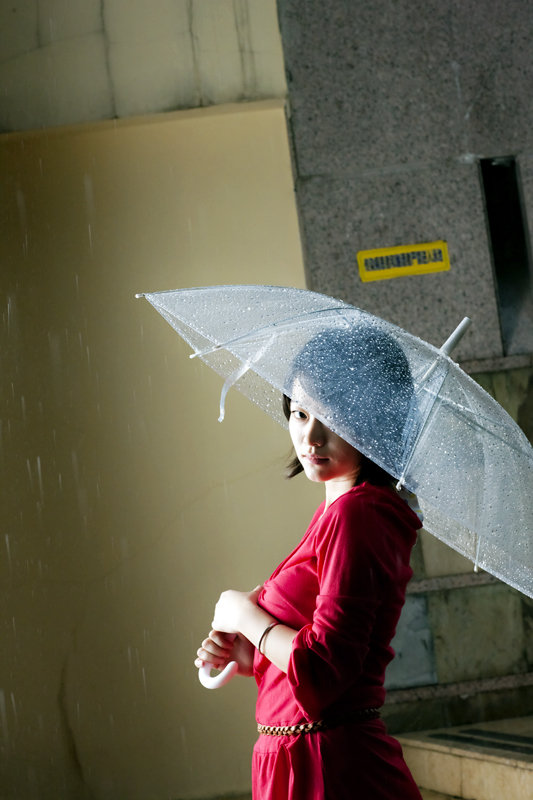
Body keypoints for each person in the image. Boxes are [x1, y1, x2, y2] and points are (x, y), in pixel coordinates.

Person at [194, 326, 423, 799]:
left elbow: (323, 674)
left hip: (330, 770)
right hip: (302, 759)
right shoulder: (337, 510)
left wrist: (245, 616)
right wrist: (252, 656)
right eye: (299, 413)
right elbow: (316, 656)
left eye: (332, 415)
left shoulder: (358, 514)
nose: (310, 435)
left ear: (374, 419)